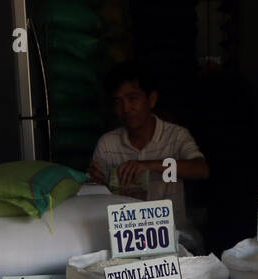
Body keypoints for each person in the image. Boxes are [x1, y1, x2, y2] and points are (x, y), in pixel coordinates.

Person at [88, 62, 209, 242]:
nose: (126, 108)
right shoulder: (108, 144)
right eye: (118, 102)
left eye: (133, 98)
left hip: (174, 236)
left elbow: (201, 170)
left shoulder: (175, 137)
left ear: (151, 100)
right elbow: (96, 195)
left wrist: (149, 165)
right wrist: (95, 183)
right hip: (127, 240)